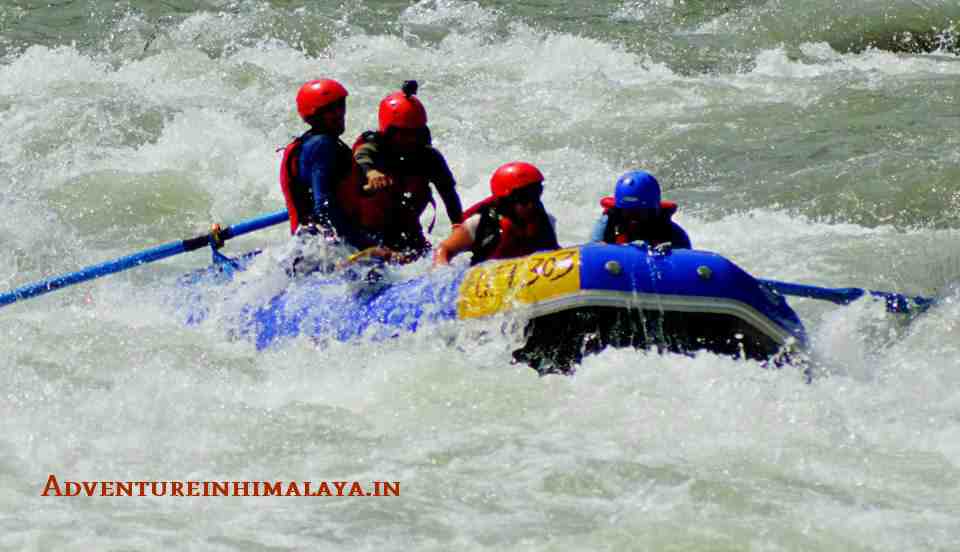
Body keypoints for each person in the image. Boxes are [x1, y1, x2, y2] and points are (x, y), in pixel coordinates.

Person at [339, 81, 464, 263]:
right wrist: (371, 172)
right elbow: (362, 155)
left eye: (414, 133)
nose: (409, 139)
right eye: (402, 133)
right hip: (368, 237)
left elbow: (449, 194)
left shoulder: (429, 157)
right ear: (388, 131)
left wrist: (457, 227)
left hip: (408, 232)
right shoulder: (373, 147)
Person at [278, 78, 379, 251]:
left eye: (341, 106)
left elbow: (332, 192)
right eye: (331, 110)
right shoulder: (322, 146)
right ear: (314, 116)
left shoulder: (315, 143)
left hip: (312, 246)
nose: (339, 114)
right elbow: (324, 208)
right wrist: (366, 246)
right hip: (323, 252)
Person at [434, 161, 560, 266]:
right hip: (486, 281)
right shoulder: (480, 223)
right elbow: (444, 249)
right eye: (524, 198)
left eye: (536, 194)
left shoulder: (546, 220)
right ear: (506, 201)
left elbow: (553, 252)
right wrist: (442, 269)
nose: (531, 204)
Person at [590, 170, 691, 248]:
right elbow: (593, 250)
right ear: (619, 209)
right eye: (627, 212)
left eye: (639, 213)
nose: (633, 219)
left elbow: (687, 259)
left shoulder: (671, 231)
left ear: (653, 210)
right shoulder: (606, 222)